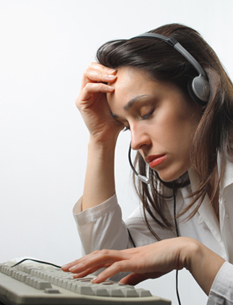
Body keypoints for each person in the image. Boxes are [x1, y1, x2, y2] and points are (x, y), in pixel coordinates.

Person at [61, 23, 233, 305]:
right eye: (125, 126)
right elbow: (106, 269)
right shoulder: (180, 190)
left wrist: (191, 254)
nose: (135, 142)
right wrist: (101, 139)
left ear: (200, 91)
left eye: (146, 111)